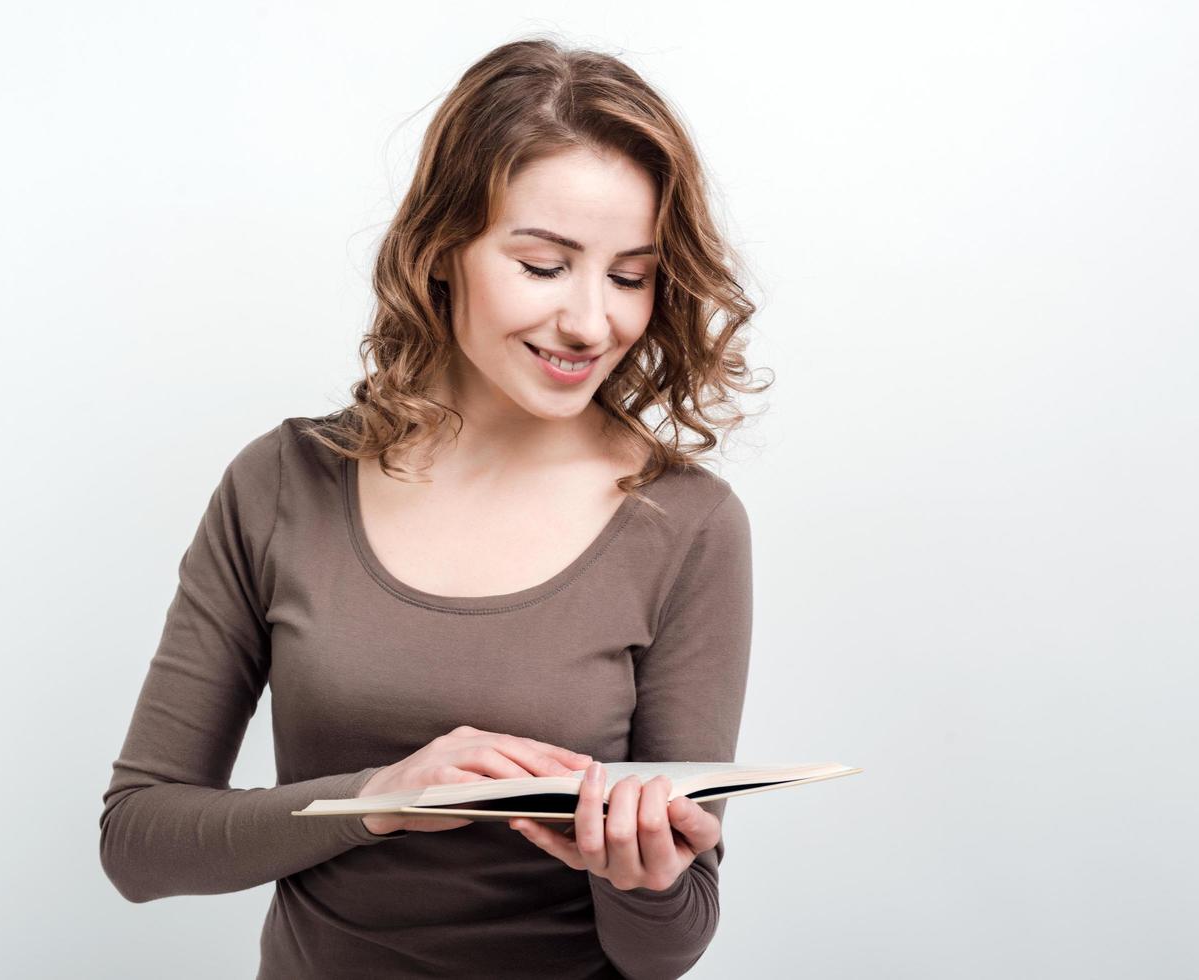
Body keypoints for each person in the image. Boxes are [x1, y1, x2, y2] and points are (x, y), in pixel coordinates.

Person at [99, 35, 771, 979]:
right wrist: (377, 799)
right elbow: (139, 843)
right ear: (443, 248)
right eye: (544, 265)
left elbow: (671, 943)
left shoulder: (688, 525)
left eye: (629, 275)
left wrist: (640, 875)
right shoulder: (284, 483)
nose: (592, 322)